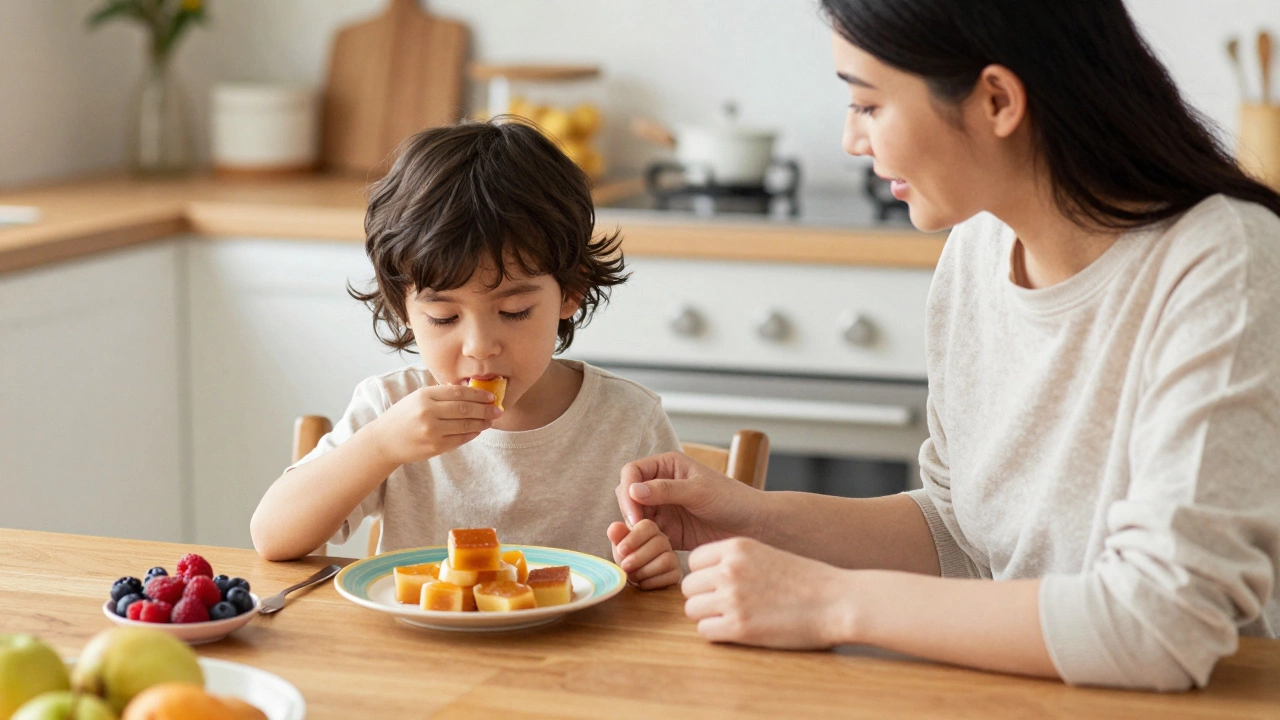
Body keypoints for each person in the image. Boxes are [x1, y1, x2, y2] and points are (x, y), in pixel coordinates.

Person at [612, 0, 1280, 691]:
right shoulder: (978, 248)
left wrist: (829, 603)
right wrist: (757, 518)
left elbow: (1161, 625)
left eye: (868, 105)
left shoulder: (1226, 262)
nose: (851, 138)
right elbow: (966, 534)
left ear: (996, 100)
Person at [251, 119, 682, 591]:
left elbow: (683, 568)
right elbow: (273, 538)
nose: (480, 346)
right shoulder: (391, 409)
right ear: (403, 310)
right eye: (443, 317)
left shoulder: (629, 421)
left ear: (570, 292)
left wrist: (658, 567)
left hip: (573, 659)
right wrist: (380, 447)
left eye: (515, 311)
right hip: (420, 657)